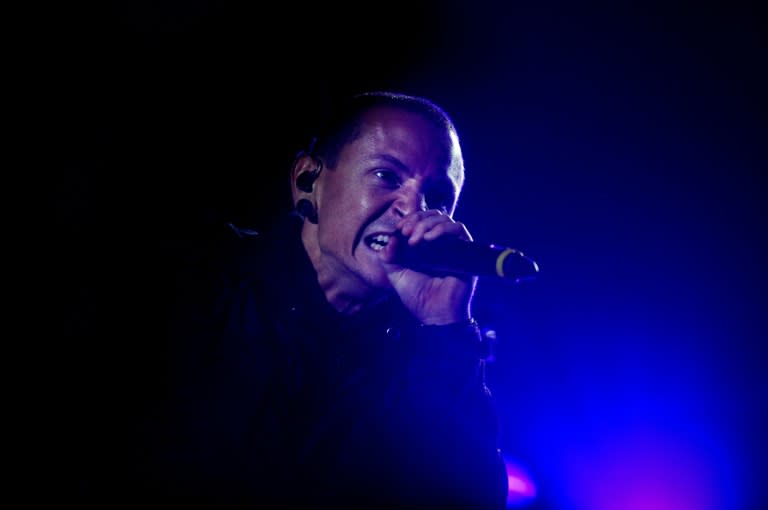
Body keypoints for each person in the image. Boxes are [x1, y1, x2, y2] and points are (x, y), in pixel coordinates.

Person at [92, 91, 509, 508]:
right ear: (307, 180)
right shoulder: (195, 284)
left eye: (437, 198)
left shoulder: (421, 361)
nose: (412, 208)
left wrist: (445, 331)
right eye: (386, 176)